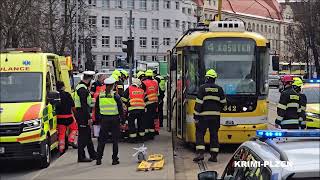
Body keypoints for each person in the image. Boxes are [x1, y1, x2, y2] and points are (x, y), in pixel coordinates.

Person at [193, 69, 226, 163]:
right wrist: (218, 110)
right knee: (214, 135)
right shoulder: (219, 89)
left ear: (207, 78)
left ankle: (200, 154)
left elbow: (198, 103)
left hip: (203, 117)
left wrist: (196, 116)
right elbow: (224, 103)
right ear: (215, 78)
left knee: (200, 133)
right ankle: (214, 156)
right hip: (215, 117)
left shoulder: (202, 88)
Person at [95, 76, 124, 165]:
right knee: (115, 140)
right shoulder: (116, 95)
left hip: (104, 120)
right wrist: (122, 120)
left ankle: (98, 159)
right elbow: (120, 109)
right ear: (113, 85)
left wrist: (98, 119)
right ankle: (114, 159)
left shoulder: (100, 95)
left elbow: (97, 109)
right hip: (114, 120)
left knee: (102, 140)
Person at [74, 71, 97, 162]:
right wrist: (88, 118)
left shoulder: (82, 87)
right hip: (82, 114)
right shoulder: (82, 89)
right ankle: (81, 157)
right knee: (83, 137)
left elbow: (86, 102)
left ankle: (93, 154)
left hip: (81, 113)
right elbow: (84, 105)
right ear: (90, 79)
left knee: (87, 135)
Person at [56, 81, 78, 155]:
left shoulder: (56, 95)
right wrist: (75, 114)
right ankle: (70, 140)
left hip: (59, 118)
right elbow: (73, 106)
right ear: (63, 87)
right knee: (74, 128)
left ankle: (61, 149)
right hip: (68, 116)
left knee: (61, 134)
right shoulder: (67, 94)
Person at [122, 78, 146, 143]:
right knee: (141, 123)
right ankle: (141, 138)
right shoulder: (141, 90)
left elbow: (123, 98)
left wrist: (127, 103)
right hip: (141, 109)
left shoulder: (129, 89)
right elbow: (144, 99)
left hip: (132, 109)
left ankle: (133, 138)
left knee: (131, 124)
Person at [142, 69, 159, 140]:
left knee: (146, 119)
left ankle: (146, 134)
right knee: (152, 118)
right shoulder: (155, 82)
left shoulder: (143, 82)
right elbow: (156, 91)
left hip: (147, 103)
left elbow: (142, 93)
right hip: (154, 102)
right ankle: (152, 133)